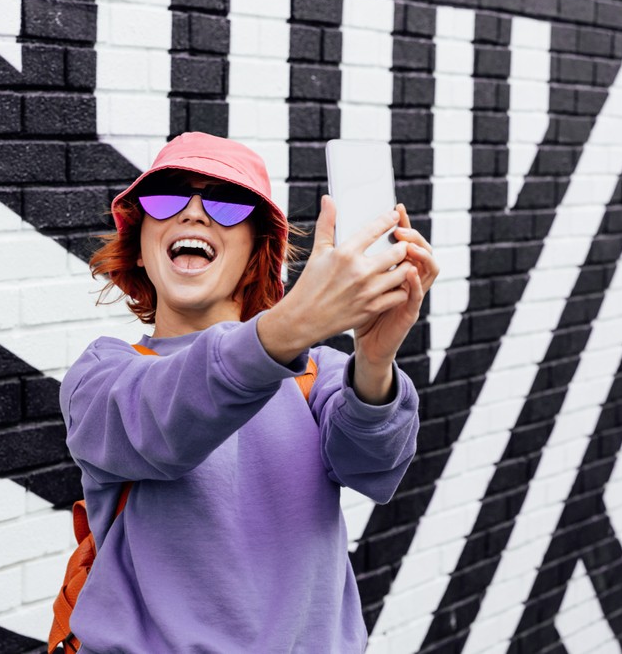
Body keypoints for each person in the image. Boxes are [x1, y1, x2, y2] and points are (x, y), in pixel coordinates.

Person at [60, 132, 438, 652]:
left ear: (256, 254)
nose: (192, 214)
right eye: (167, 196)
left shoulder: (317, 375)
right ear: (142, 251)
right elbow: (161, 423)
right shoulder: (103, 375)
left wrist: (374, 360)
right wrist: (289, 328)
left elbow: (374, 469)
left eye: (225, 202)